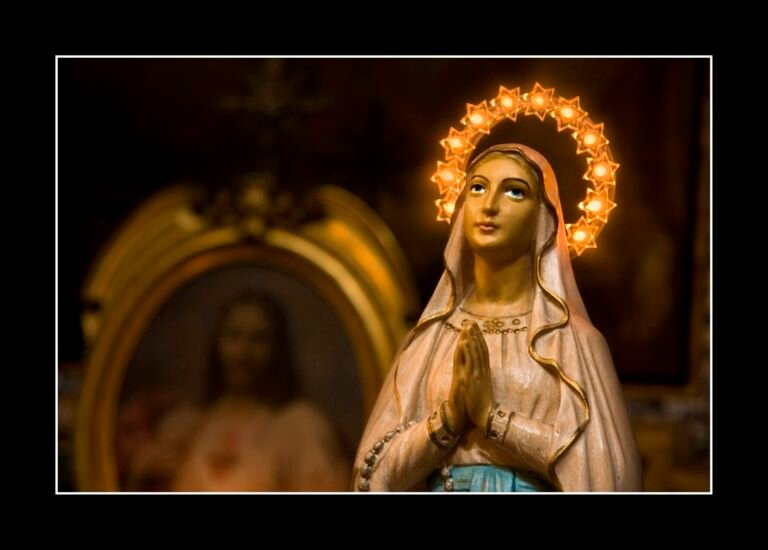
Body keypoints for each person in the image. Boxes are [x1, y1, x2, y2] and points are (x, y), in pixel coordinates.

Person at [353, 144, 642, 492]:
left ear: (543, 218)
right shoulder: (430, 338)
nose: (489, 205)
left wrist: (492, 418)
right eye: (477, 187)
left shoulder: (573, 341)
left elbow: (603, 472)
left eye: (514, 192)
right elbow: (373, 472)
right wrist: (449, 419)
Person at [123, 291, 350, 492]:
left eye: (259, 338)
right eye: (233, 335)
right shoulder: (191, 425)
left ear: (278, 348)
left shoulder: (302, 427)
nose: (243, 352)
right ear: (218, 342)